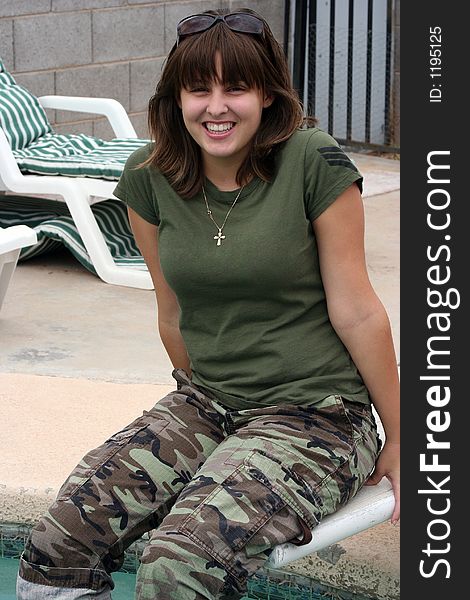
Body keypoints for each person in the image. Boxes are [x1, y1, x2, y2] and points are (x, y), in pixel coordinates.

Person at [17, 7, 400, 600]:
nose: (215, 107)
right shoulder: (148, 175)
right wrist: (195, 419)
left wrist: (403, 438)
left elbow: (359, 310)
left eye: (236, 88)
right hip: (210, 400)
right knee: (61, 536)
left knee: (180, 562)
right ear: (176, 97)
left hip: (317, 417)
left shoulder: (312, 160)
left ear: (268, 94)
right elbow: (171, 312)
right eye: (199, 88)